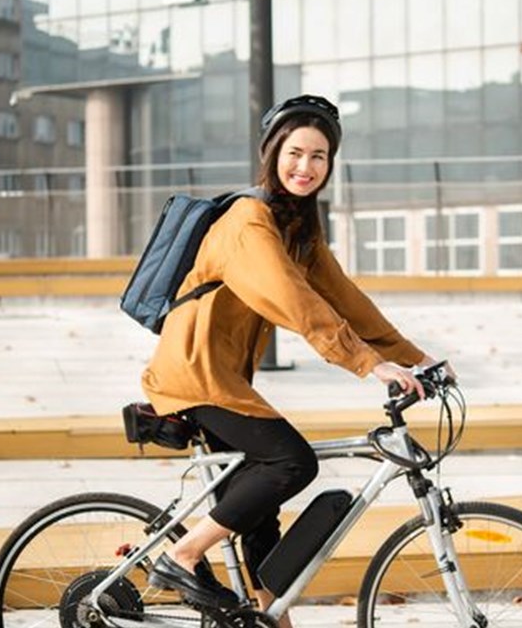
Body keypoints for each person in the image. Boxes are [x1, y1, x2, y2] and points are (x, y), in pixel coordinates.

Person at [143, 94, 452, 624]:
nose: (305, 167)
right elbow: (292, 299)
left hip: (224, 379)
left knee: (262, 524)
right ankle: (182, 556)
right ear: (272, 153)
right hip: (194, 376)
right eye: (296, 153)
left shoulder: (298, 226)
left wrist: (418, 359)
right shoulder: (249, 220)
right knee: (292, 462)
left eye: (319, 157)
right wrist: (365, 363)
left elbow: (345, 299)